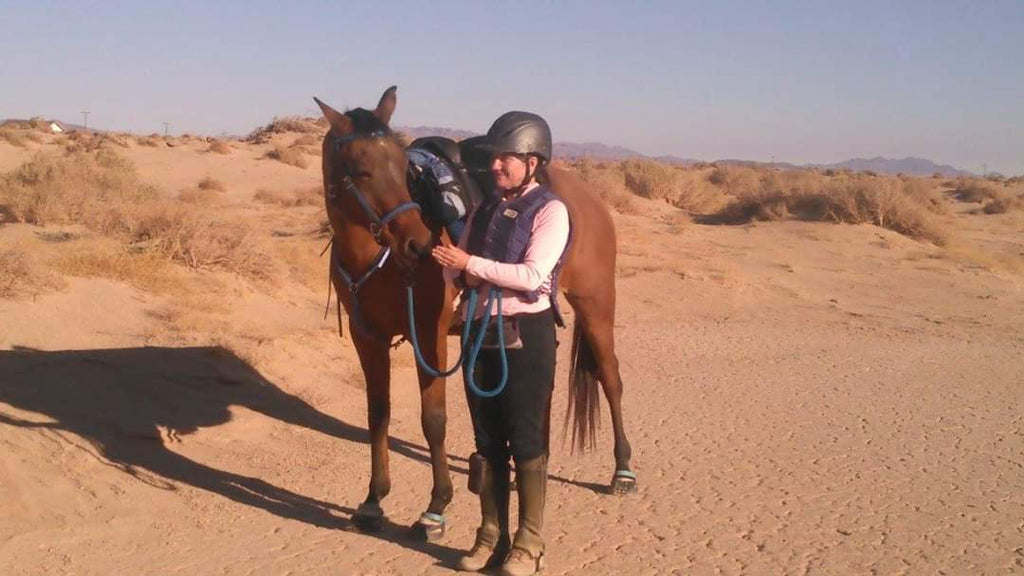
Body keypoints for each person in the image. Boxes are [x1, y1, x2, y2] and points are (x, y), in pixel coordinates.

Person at [432, 112, 569, 576]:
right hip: (478, 331)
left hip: (525, 335)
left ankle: (529, 544)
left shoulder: (551, 211)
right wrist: (456, 266)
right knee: (486, 441)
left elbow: (533, 276)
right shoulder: (485, 209)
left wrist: (472, 263)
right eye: (493, 158)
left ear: (533, 161)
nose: (495, 166)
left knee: (526, 439)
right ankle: (490, 535)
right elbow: (457, 270)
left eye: (506, 158)